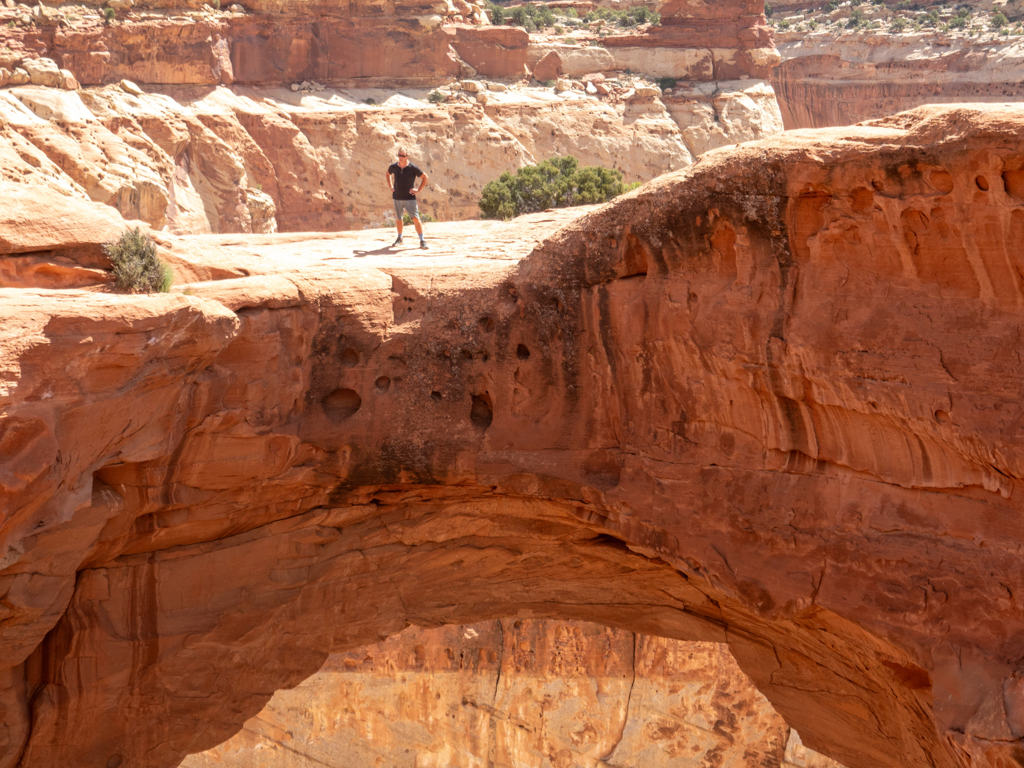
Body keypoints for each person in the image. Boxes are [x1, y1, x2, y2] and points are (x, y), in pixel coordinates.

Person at [386, 147, 429, 249]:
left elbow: (425, 177)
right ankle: (400, 238)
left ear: (407, 156)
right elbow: (388, 174)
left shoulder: (412, 167)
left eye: (403, 156)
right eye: (399, 155)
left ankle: (422, 240)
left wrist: (418, 190)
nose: (400, 157)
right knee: (399, 218)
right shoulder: (393, 167)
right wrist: (390, 186)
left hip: (409, 197)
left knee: (415, 218)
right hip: (397, 197)